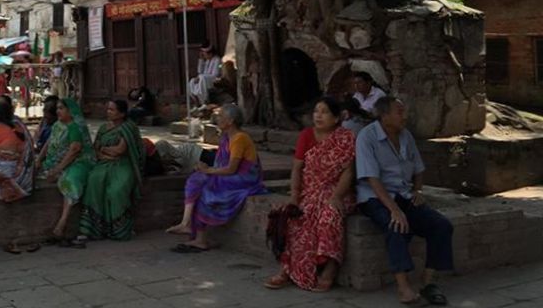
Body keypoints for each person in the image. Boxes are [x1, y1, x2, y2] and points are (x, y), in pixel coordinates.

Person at [356, 96, 454, 306]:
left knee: (441, 226)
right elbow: (372, 179)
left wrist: (418, 190)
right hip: (375, 197)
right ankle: (403, 287)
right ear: (384, 116)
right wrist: (394, 210)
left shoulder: (406, 136)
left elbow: (418, 169)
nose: (404, 116)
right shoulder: (367, 137)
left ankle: (428, 283)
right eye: (399, 112)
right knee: (397, 226)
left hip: (404, 194)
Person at [265, 97, 356, 292]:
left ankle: (329, 270)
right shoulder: (306, 135)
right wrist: (294, 197)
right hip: (311, 192)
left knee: (329, 217)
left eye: (324, 112)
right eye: (316, 111)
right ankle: (287, 269)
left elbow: (348, 171)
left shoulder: (345, 138)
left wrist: (336, 196)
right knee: (296, 220)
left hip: (337, 192)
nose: (318, 116)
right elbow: (297, 169)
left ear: (336, 118)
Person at [167, 104, 267, 251]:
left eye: (221, 116)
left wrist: (208, 170)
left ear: (230, 121)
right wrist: (203, 168)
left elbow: (231, 169)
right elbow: (220, 163)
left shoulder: (239, 138)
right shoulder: (226, 137)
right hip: (230, 174)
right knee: (196, 179)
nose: (217, 118)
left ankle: (200, 238)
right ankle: (186, 223)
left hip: (244, 178)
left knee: (207, 190)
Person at [79, 99, 146, 241]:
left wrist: (104, 150)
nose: (108, 112)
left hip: (123, 164)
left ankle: (120, 230)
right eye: (108, 109)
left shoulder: (129, 127)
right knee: (93, 182)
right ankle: (95, 229)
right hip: (104, 162)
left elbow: (119, 150)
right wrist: (103, 153)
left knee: (116, 191)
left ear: (121, 114)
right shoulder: (103, 128)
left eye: (112, 110)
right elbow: (95, 147)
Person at [38, 98, 94, 239]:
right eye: (57, 108)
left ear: (71, 111)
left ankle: (62, 223)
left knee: (69, 181)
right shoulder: (57, 125)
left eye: (62, 108)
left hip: (79, 162)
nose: (58, 111)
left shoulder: (75, 127)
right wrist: (39, 159)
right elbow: (49, 142)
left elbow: (74, 152)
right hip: (56, 161)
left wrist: (57, 170)